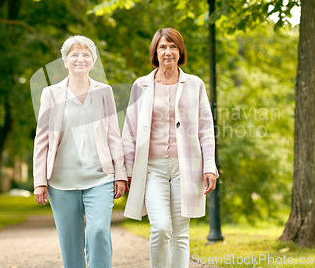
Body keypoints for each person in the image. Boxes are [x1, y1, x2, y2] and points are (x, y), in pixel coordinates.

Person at [123, 27, 219, 268]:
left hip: (185, 168)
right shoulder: (141, 85)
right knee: (161, 227)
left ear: (180, 51)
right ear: (155, 52)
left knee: (180, 233)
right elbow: (130, 130)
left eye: (173, 46)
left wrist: (209, 166)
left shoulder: (195, 84)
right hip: (152, 168)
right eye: (163, 47)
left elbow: (206, 129)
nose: (168, 52)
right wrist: (126, 171)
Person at [33, 35, 127, 268]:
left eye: (86, 54)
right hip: (61, 180)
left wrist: (121, 174)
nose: (80, 59)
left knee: (98, 233)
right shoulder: (51, 94)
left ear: (93, 61)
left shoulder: (104, 91)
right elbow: (42, 139)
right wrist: (39, 181)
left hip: (100, 177)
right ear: (65, 61)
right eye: (74, 54)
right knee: (70, 244)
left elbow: (114, 135)